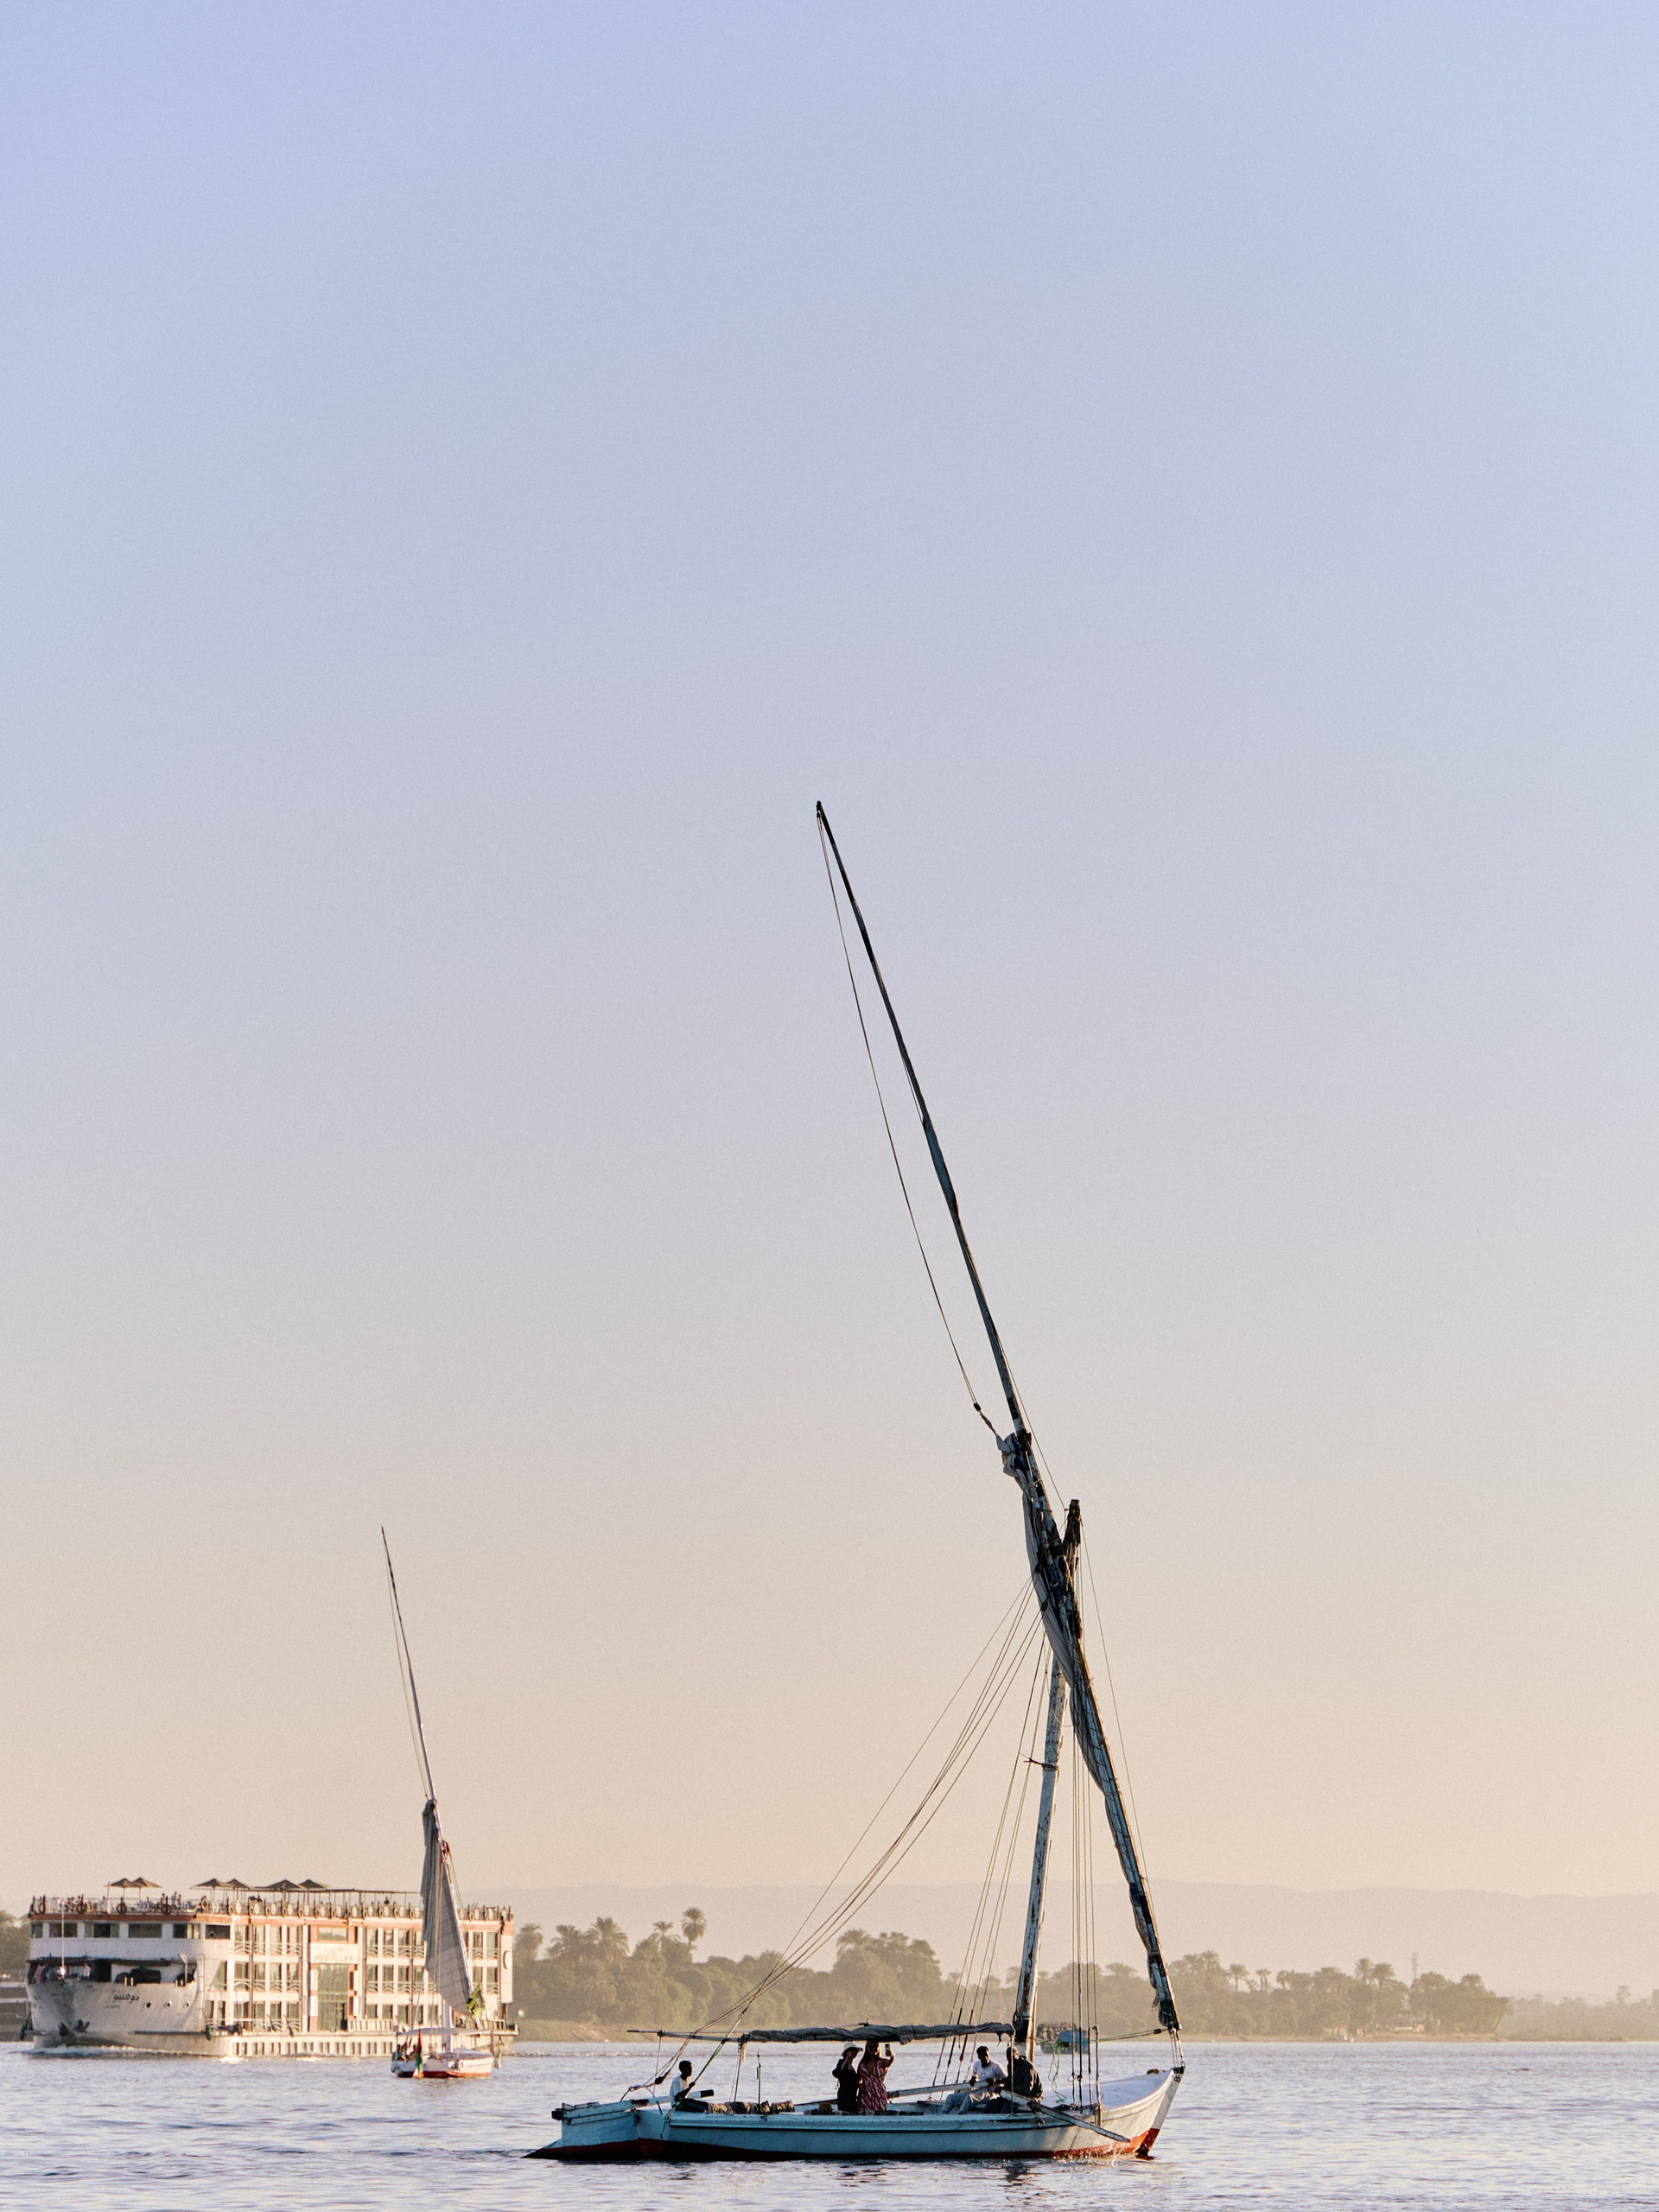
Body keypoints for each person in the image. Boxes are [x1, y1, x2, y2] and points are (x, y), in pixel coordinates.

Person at [855, 2037, 893, 2113]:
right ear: (867, 2048)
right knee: (865, 2113)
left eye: (876, 2046)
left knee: (880, 2112)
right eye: (871, 2047)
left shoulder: (881, 2062)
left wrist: (892, 2055)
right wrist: (859, 2086)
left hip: (879, 2093)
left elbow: (889, 2063)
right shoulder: (862, 2063)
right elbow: (858, 2079)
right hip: (866, 2094)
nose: (873, 2049)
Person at [832, 2045, 861, 2113]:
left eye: (856, 2051)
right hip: (844, 2095)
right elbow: (836, 2073)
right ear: (847, 2052)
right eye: (852, 2051)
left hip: (852, 2095)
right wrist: (846, 2061)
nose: (854, 2053)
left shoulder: (851, 2065)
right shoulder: (841, 2062)